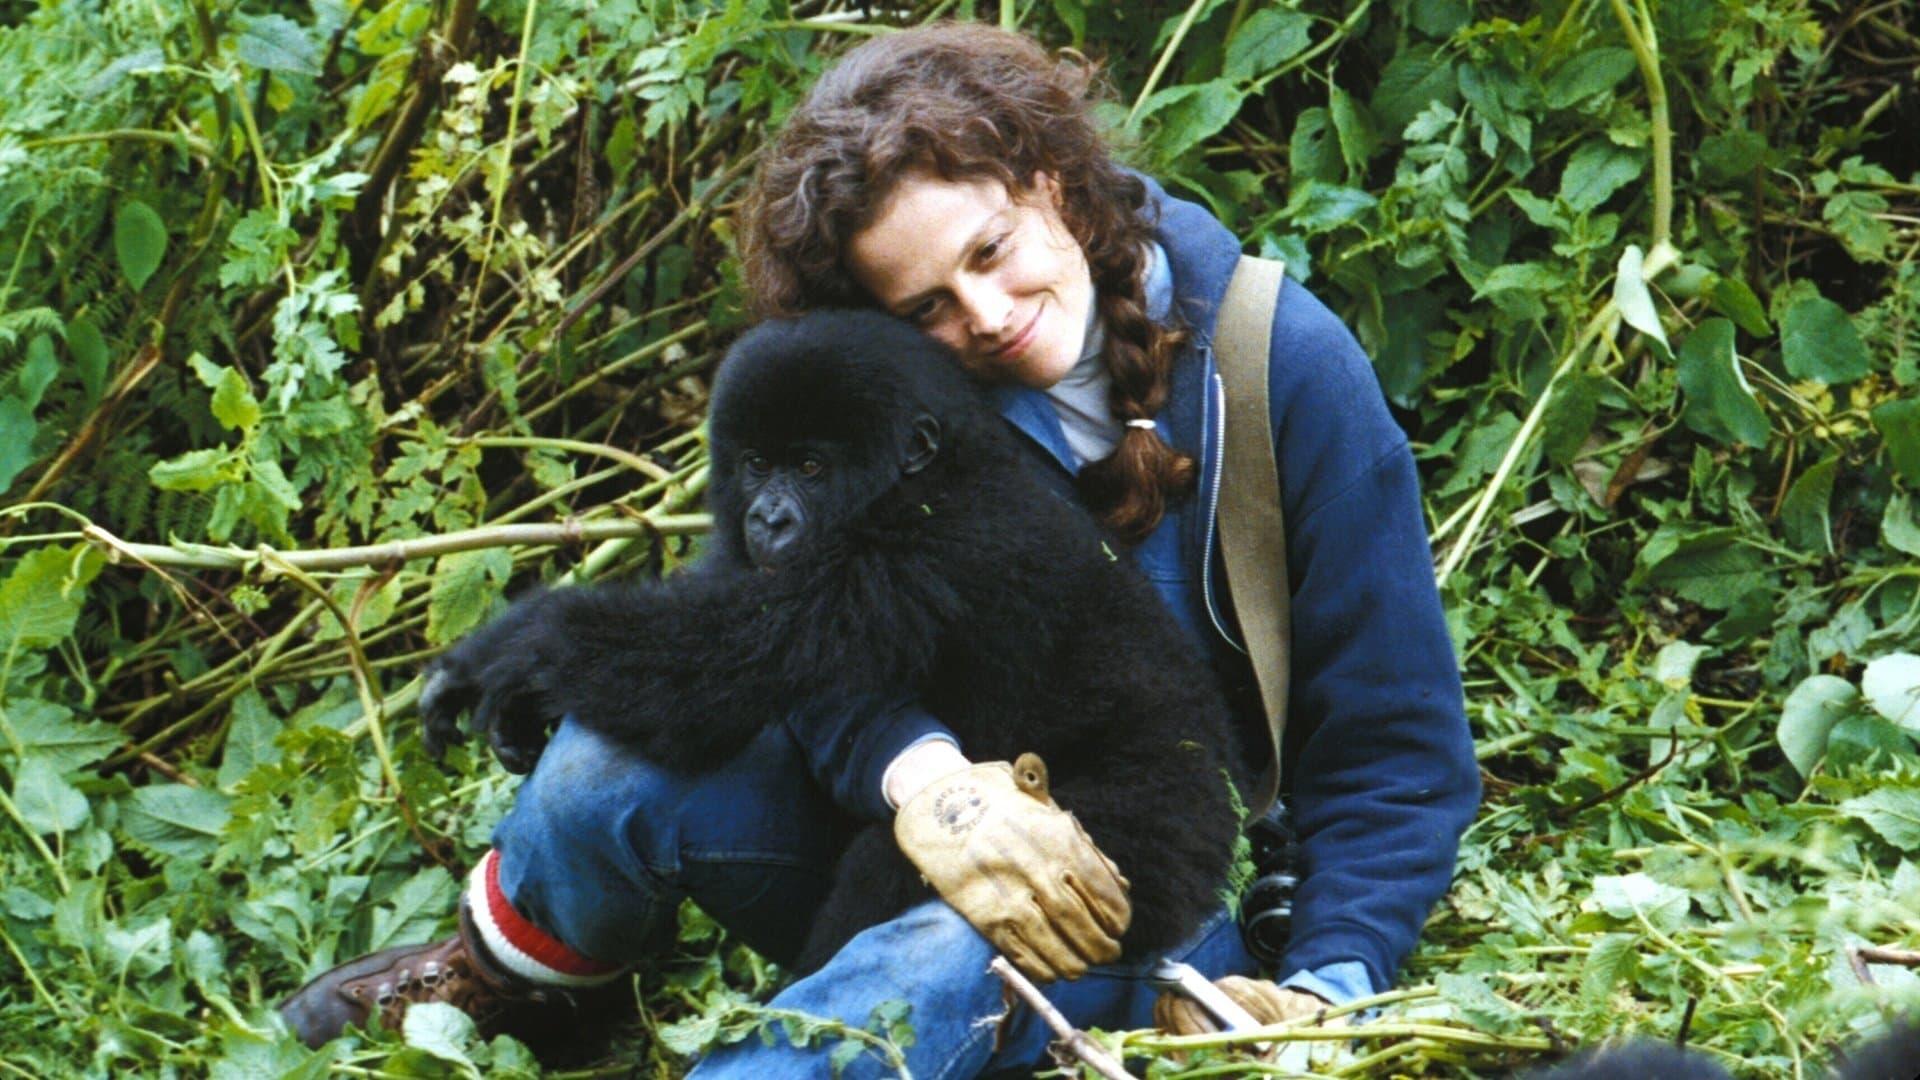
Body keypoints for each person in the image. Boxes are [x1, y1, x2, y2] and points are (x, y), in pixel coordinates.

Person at [279, 21, 1480, 1076]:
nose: (988, 318)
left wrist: (1330, 992)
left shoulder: (1287, 370)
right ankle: (520, 991)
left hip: (1147, 890)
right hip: (900, 826)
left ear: (1059, 177)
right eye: (927, 306)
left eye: (992, 249)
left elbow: (1398, 752)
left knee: (930, 968)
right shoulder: (889, 404)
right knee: (605, 761)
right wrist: (925, 779)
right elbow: (791, 640)